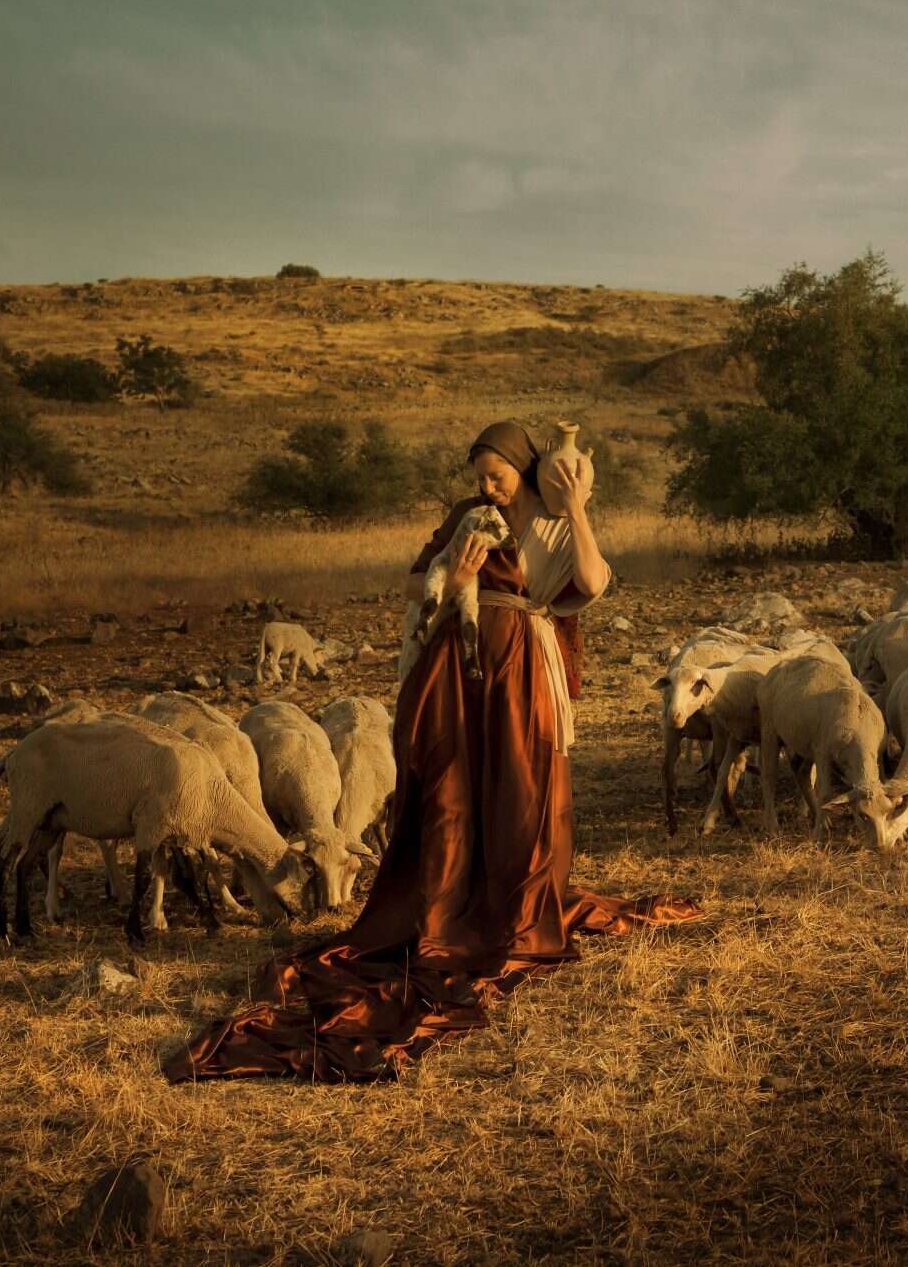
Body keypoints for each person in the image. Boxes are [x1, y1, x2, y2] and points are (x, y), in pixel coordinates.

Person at [166, 420, 702, 1082]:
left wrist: (580, 510)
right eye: (478, 476)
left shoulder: (555, 517)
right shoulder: (469, 517)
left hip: (524, 670)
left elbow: (590, 585)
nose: (485, 487)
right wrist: (454, 585)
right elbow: (417, 586)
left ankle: (516, 905)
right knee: (452, 789)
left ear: (523, 468)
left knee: (523, 790)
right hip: (462, 664)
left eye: (496, 476)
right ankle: (450, 901)